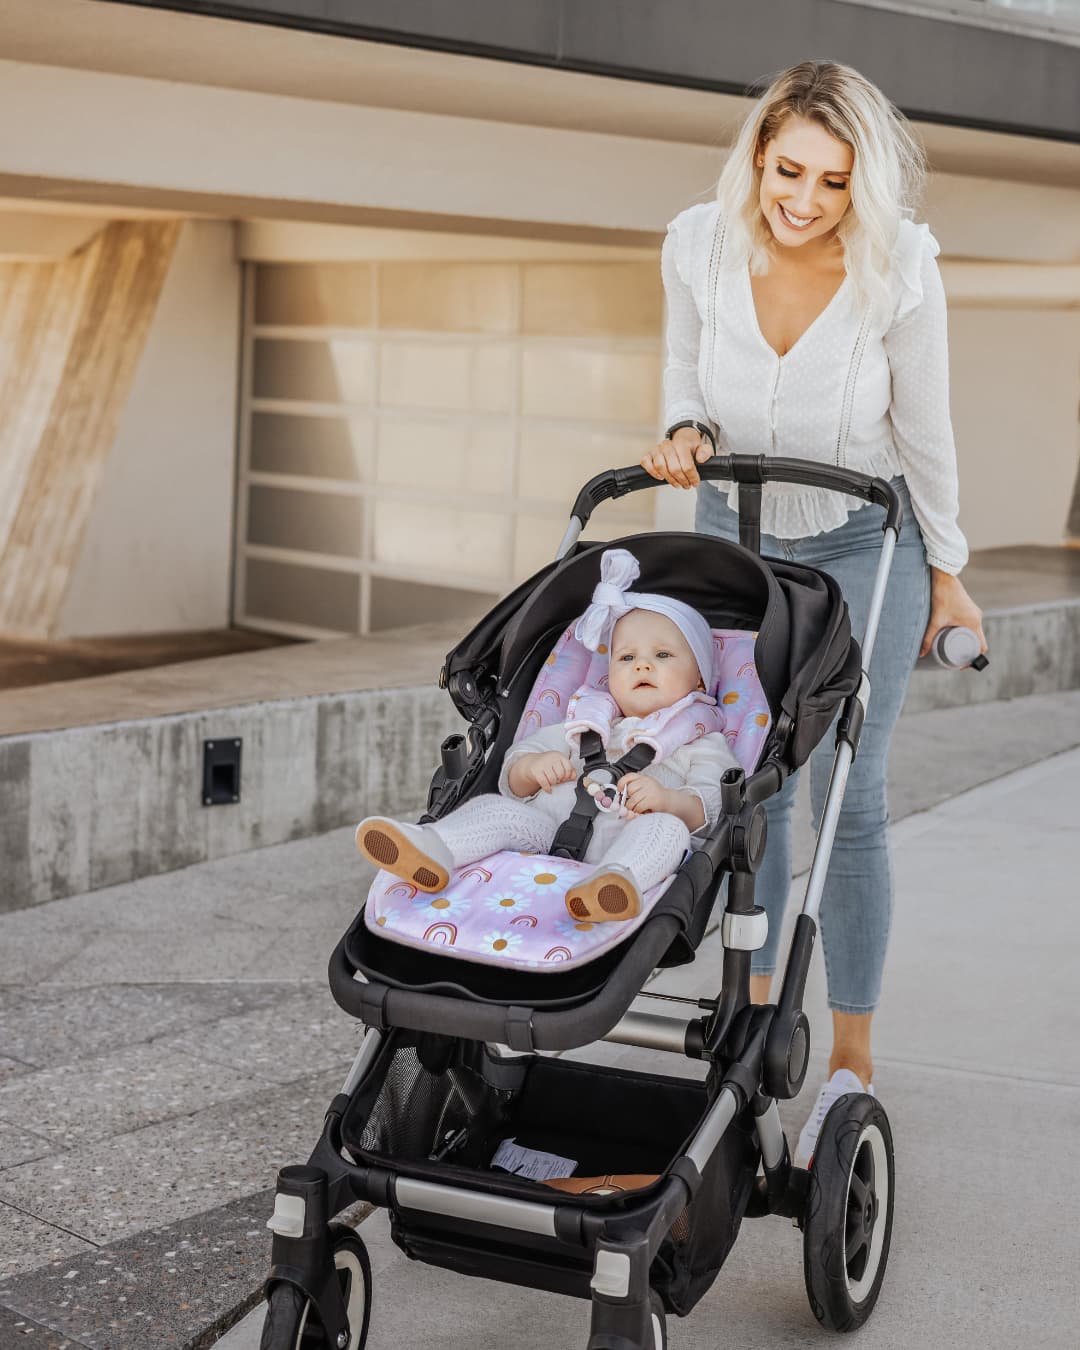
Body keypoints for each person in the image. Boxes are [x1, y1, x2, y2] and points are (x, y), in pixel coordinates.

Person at [643, 60, 987, 1167]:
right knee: (757, 785)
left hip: (860, 544)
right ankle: (757, 1021)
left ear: (861, 186)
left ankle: (851, 1054)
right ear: (757, 155)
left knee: (852, 789)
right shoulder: (698, 242)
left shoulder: (901, 270)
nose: (805, 200)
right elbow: (682, 378)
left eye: (834, 182)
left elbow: (925, 430)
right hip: (736, 539)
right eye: (789, 170)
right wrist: (683, 430)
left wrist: (949, 567)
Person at [357, 548, 740, 924]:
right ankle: (433, 847)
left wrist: (670, 801)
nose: (642, 663)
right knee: (495, 809)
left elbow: (712, 804)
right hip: (545, 831)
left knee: (666, 831)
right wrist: (532, 767)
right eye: (626, 658)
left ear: (700, 678)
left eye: (662, 655)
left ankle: (614, 885)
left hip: (628, 838)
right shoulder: (587, 721)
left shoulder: (702, 740)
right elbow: (514, 777)